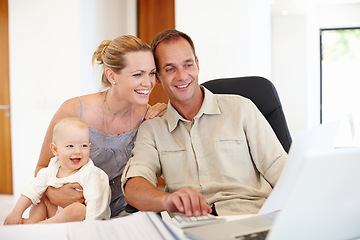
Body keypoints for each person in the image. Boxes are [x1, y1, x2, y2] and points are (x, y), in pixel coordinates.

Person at [121, 29, 288, 217]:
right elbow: (134, 186)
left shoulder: (241, 108)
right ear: (158, 77)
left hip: (250, 218)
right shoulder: (153, 128)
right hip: (193, 227)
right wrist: (167, 201)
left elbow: (280, 169)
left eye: (188, 65)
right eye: (170, 69)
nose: (182, 76)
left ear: (197, 65)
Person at [34, 35, 167, 218]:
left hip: (123, 210)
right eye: (138, 74)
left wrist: (170, 113)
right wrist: (52, 192)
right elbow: (42, 166)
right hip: (73, 210)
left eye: (151, 73)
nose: (148, 83)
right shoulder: (73, 110)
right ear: (112, 75)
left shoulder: (149, 116)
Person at [4, 117, 110, 225]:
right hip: (54, 214)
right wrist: (16, 213)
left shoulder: (91, 173)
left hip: (80, 219)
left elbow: (96, 203)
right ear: (55, 150)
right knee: (41, 198)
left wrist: (91, 225)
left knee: (79, 209)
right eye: (70, 146)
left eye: (84, 146)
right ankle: (34, 221)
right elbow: (31, 191)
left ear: (89, 147)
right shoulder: (50, 170)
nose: (78, 151)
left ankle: (42, 225)